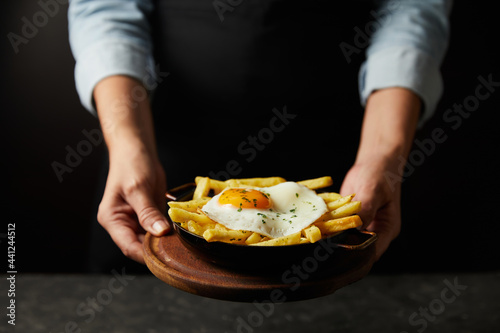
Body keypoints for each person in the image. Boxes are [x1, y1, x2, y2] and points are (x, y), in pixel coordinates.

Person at [68, 0, 452, 267]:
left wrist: (383, 156)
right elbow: (106, 11)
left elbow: (412, 11)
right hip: (156, 147)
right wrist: (127, 146)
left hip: (349, 147)